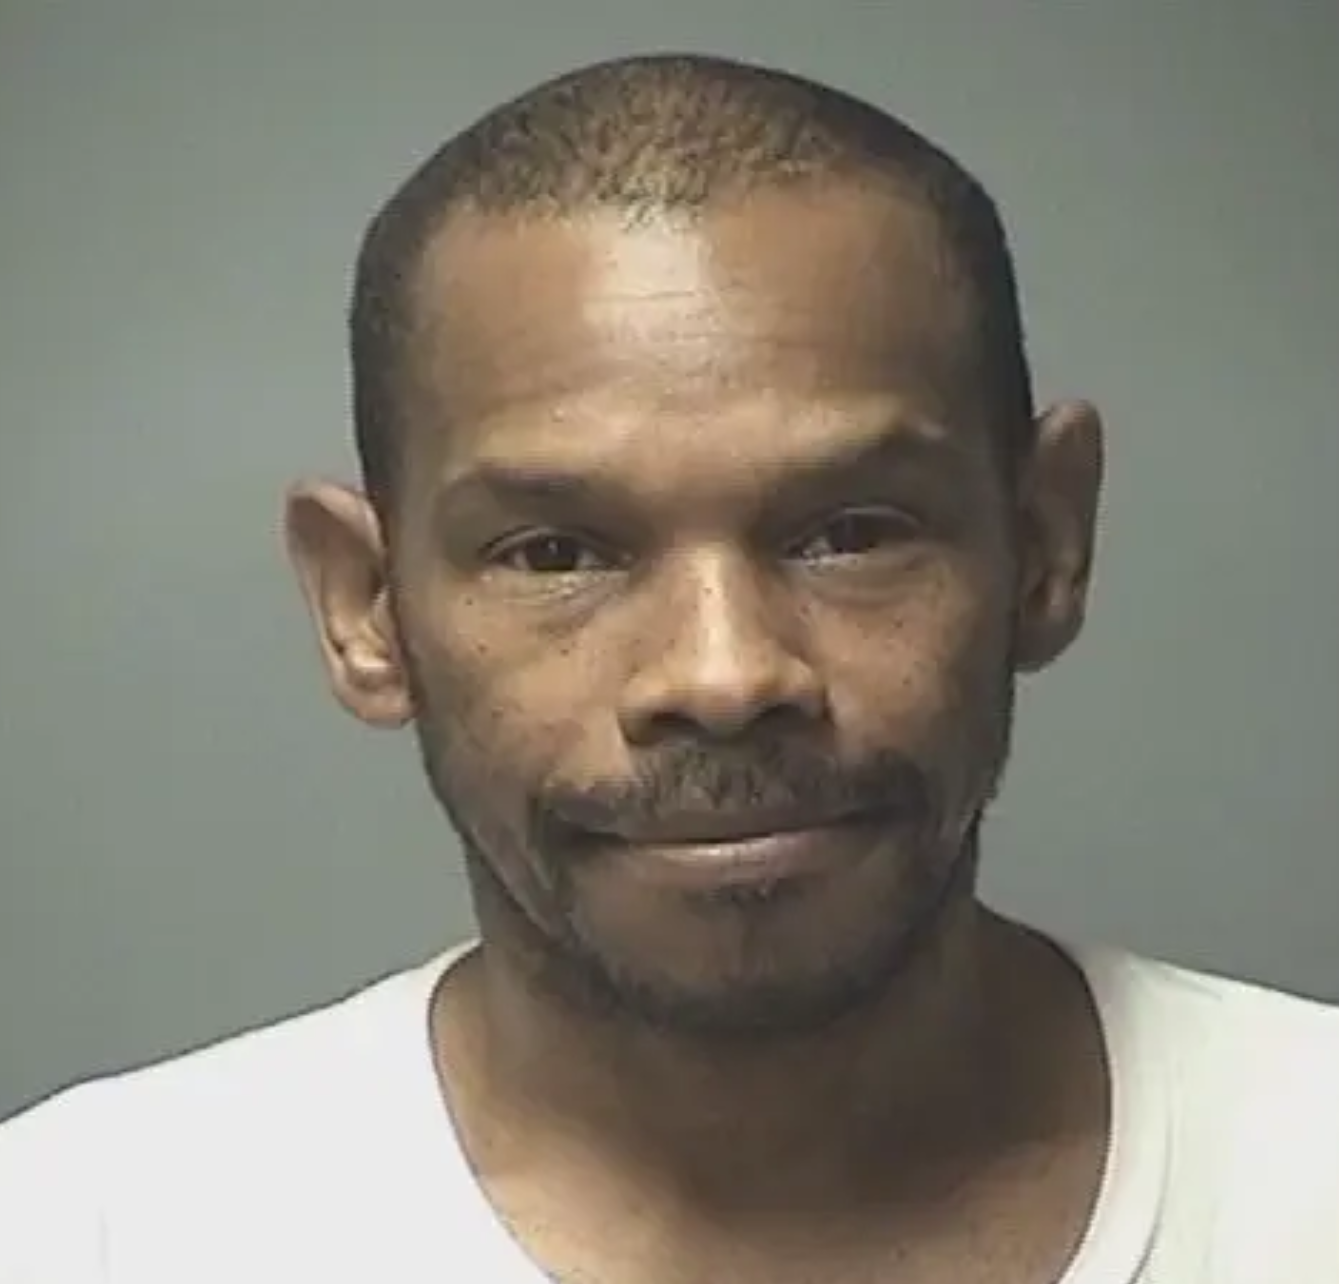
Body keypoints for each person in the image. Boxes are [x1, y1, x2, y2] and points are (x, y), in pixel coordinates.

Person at [2, 51, 1336, 1284]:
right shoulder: (85, 1237)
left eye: (849, 532)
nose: (724, 674)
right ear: (364, 607)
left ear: (1043, 543)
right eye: (555, 552)